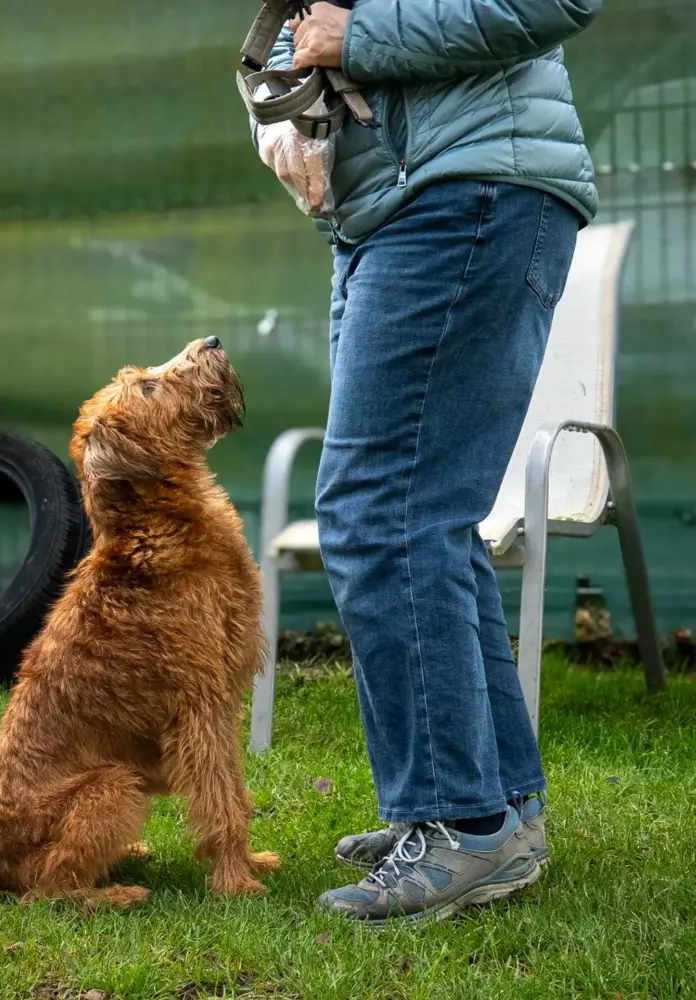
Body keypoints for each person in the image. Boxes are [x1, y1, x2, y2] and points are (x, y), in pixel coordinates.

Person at [250, 0, 601, 926]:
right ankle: (501, 811)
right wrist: (284, 92)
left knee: (380, 515)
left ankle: (456, 821)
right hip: (391, 213)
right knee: (425, 518)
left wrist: (353, 41)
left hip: (463, 193)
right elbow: (307, 27)